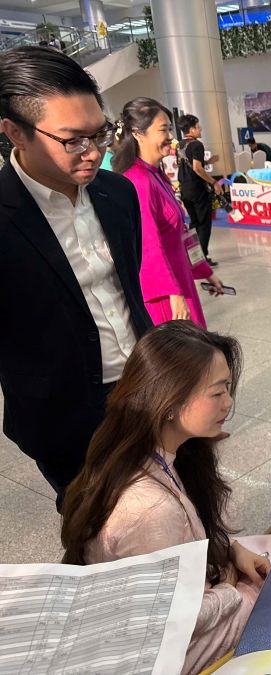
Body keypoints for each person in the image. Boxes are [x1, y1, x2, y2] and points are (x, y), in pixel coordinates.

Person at [60, 321, 271, 674]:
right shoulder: (150, 508)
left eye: (228, 389)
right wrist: (233, 586)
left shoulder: (152, 450)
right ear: (170, 400)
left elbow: (191, 539)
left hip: (185, 593)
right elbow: (174, 619)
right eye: (217, 392)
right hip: (169, 647)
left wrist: (232, 551)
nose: (230, 403)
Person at [0, 46, 152, 505]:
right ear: (14, 133)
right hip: (63, 419)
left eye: (100, 134)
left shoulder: (117, 193)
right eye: (72, 140)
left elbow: (129, 284)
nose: (93, 153)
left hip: (146, 390)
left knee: (176, 509)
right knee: (102, 534)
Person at [114, 98, 226, 328]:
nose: (171, 137)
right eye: (163, 130)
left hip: (180, 280)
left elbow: (182, 234)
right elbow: (148, 245)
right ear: (138, 134)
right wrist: (172, 294)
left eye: (170, 129)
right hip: (166, 293)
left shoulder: (156, 174)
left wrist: (205, 271)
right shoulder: (138, 180)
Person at [177, 113, 222, 267]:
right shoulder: (197, 145)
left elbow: (188, 164)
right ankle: (201, 258)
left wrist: (208, 161)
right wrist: (214, 182)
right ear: (191, 129)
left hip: (185, 189)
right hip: (197, 190)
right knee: (204, 224)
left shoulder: (180, 145)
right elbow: (196, 168)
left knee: (194, 223)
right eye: (197, 126)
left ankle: (192, 256)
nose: (200, 128)